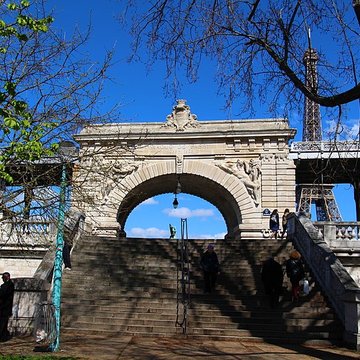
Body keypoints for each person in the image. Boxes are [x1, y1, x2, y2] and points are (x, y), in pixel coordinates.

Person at [0, 272, 15, 342]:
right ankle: (4, 336)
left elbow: (3, 294)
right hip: (4, 307)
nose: (2, 279)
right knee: (4, 323)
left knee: (3, 322)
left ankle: (2, 336)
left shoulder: (8, 285)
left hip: (4, 308)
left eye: (3, 277)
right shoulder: (7, 285)